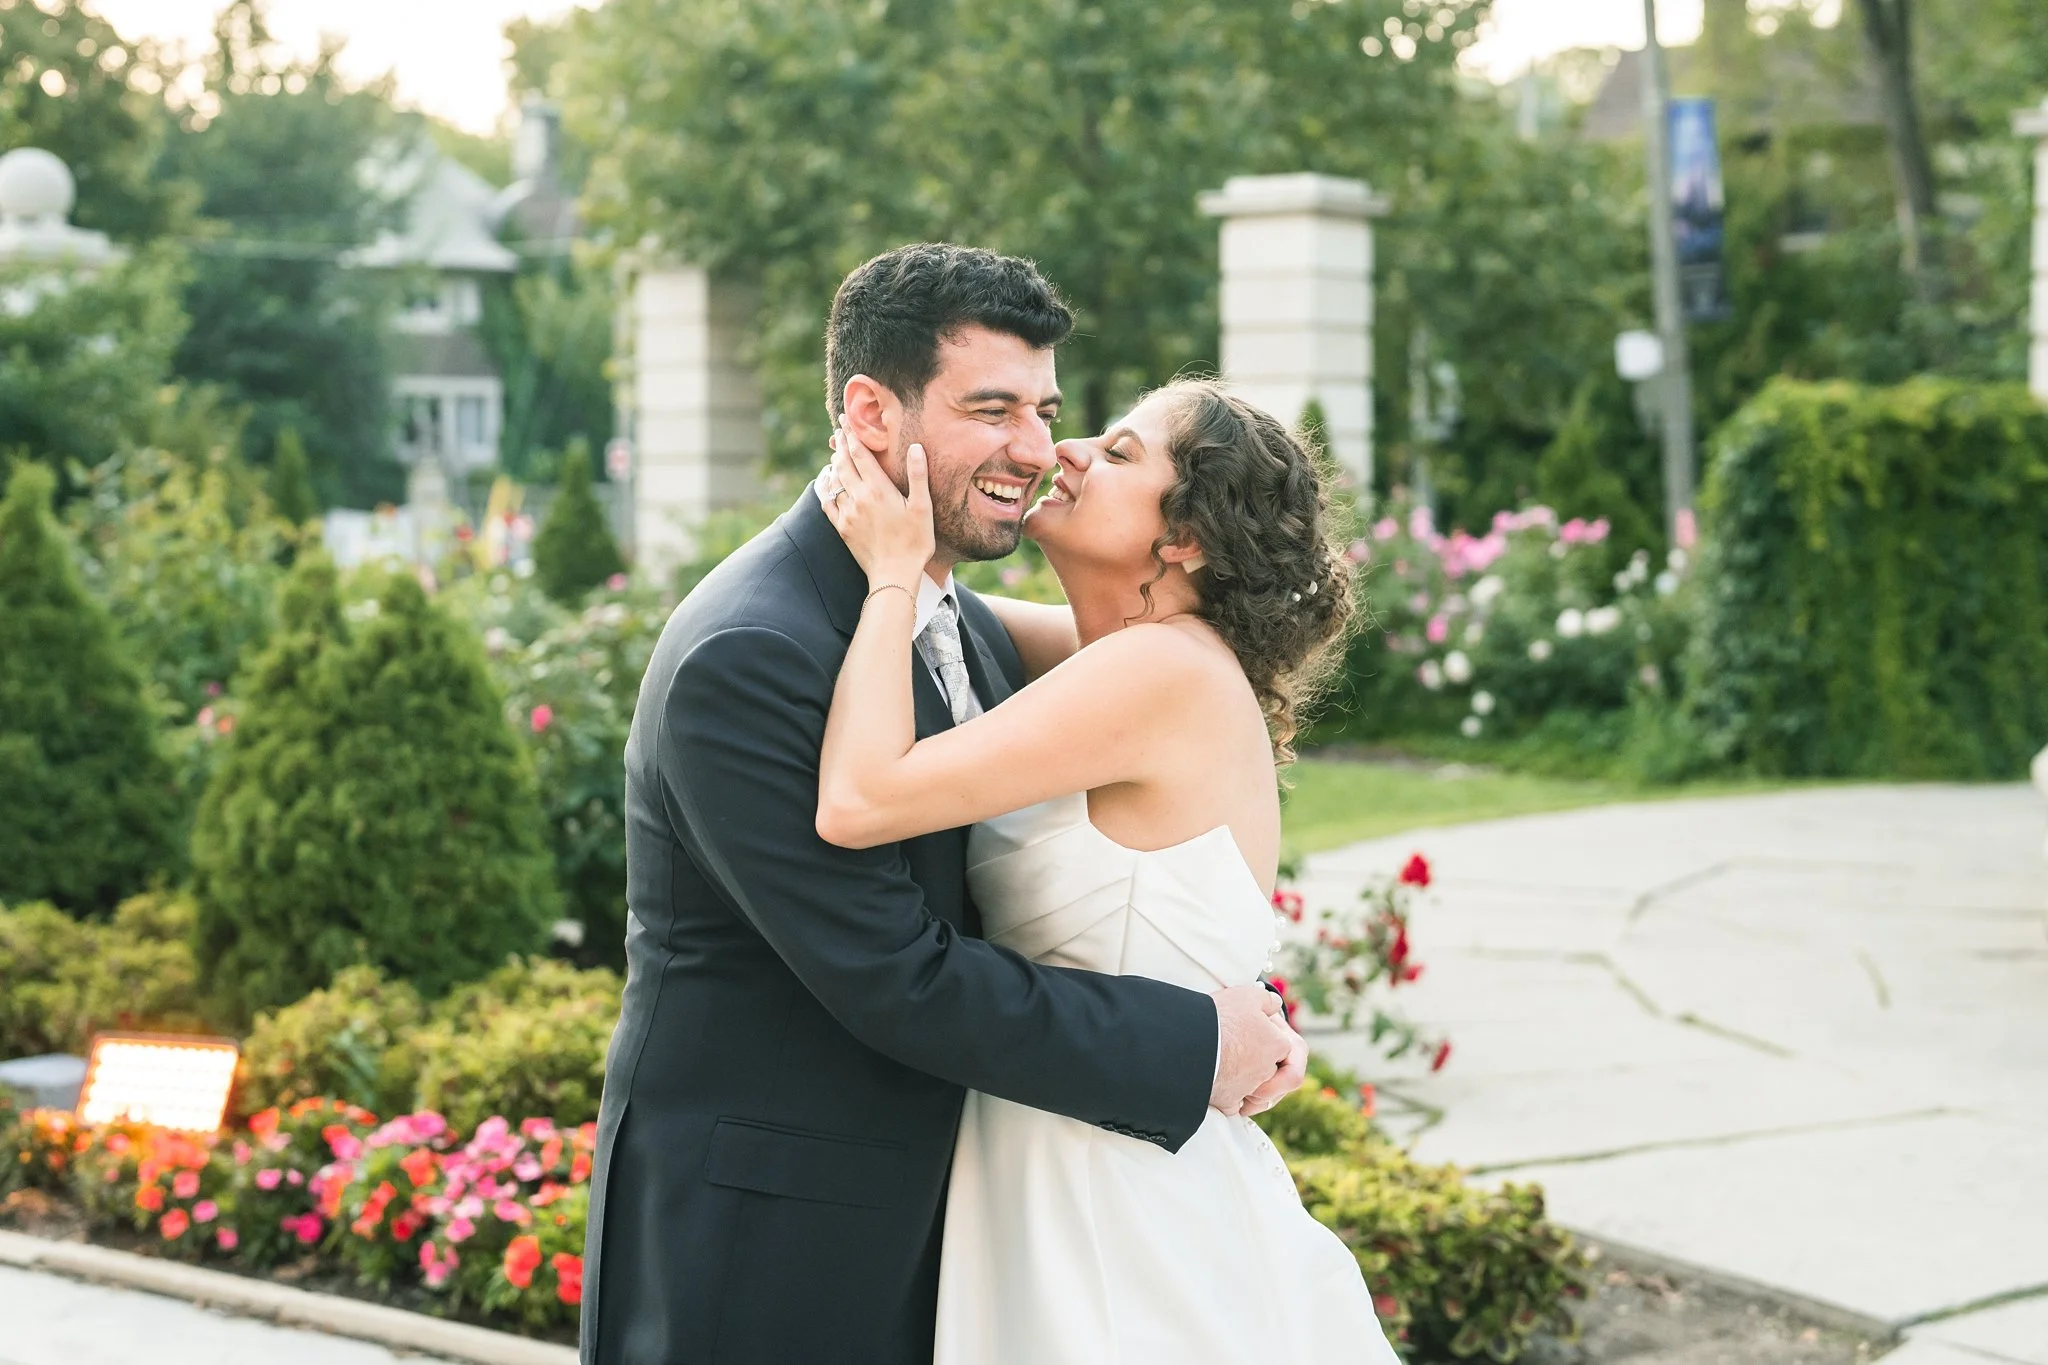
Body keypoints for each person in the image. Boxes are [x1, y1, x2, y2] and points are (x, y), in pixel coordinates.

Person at [579, 243, 1306, 1365]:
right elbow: (896, 974)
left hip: (1020, 1210)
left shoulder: (967, 621)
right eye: (991, 409)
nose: (1038, 449)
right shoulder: (755, 653)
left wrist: (1226, 987)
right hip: (773, 1241)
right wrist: (1196, 1033)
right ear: (871, 412)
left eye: (1051, 412)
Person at [812, 374, 1403, 1362]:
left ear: (1186, 541)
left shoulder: (1160, 673)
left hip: (1111, 1199)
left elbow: (861, 800)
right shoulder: (1117, 655)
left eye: (1119, 452)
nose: (1066, 451)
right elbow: (958, 622)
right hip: (1065, 1154)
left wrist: (887, 575)